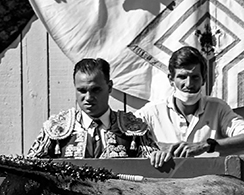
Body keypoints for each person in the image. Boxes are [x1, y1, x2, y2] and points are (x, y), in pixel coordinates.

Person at [136, 46, 244, 170]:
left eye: (195, 77)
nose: (189, 84)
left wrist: (205, 145)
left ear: (203, 79)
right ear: (171, 79)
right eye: (182, 77)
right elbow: (122, 135)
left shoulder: (218, 108)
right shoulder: (151, 111)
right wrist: (154, 149)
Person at [28, 57, 159, 159]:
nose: (89, 97)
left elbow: (153, 167)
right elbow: (30, 169)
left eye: (95, 90)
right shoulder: (55, 128)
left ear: (109, 87)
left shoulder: (133, 128)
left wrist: (160, 156)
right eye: (82, 90)